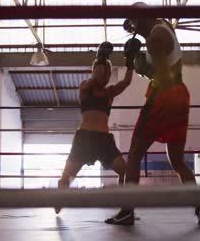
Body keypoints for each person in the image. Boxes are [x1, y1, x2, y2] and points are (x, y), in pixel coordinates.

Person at [105, 2, 200, 226]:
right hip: (181, 96)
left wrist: (142, 68)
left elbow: (163, 80)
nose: (134, 30)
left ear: (141, 19)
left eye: (133, 24)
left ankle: (127, 211)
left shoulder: (154, 40)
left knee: (134, 153)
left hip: (164, 98)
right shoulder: (164, 25)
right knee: (177, 160)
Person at [55, 41, 140, 214]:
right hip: (84, 139)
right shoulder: (85, 87)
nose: (106, 75)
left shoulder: (109, 93)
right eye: (103, 71)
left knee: (125, 170)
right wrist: (101, 59)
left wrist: (130, 61)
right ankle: (59, 200)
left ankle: (125, 206)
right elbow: (93, 79)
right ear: (95, 71)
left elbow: (127, 82)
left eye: (108, 72)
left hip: (103, 141)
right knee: (66, 178)